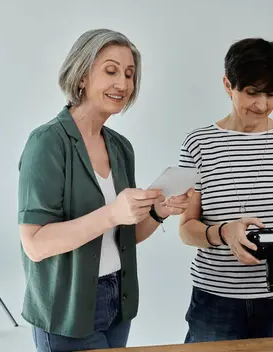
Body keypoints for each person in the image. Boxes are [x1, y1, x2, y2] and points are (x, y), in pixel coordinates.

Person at [17, 28, 194, 352]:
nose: (124, 84)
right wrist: (112, 213)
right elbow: (35, 245)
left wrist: (157, 211)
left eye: (129, 74)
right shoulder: (47, 143)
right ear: (81, 76)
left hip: (118, 302)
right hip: (67, 309)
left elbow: (127, 236)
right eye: (111, 71)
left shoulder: (120, 147)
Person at [177, 37, 273, 342]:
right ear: (228, 85)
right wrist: (224, 233)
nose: (263, 105)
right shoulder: (198, 144)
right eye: (252, 93)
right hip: (217, 299)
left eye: (272, 94)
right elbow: (187, 228)